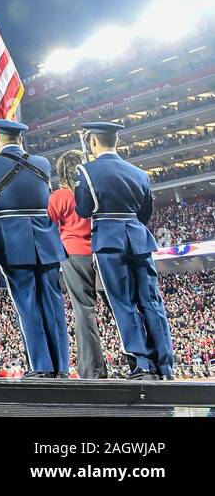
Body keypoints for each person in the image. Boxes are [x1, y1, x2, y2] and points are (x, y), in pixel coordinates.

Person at [73, 120, 174, 379]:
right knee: (151, 301)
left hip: (109, 240)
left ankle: (141, 363)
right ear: (116, 141)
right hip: (138, 238)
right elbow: (145, 212)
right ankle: (165, 364)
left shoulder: (86, 170)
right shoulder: (139, 173)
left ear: (93, 142)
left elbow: (84, 209)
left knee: (124, 304)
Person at [0, 118, 70, 378]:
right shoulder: (42, 163)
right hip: (46, 238)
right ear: (20, 139)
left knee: (26, 303)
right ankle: (61, 366)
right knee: (53, 301)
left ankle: (40, 366)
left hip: (12, 237)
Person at [51, 149, 106, 380]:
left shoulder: (60, 196)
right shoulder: (97, 190)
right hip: (102, 251)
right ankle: (140, 365)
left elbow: (47, 225)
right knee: (121, 308)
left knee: (84, 312)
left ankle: (93, 371)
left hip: (75, 255)